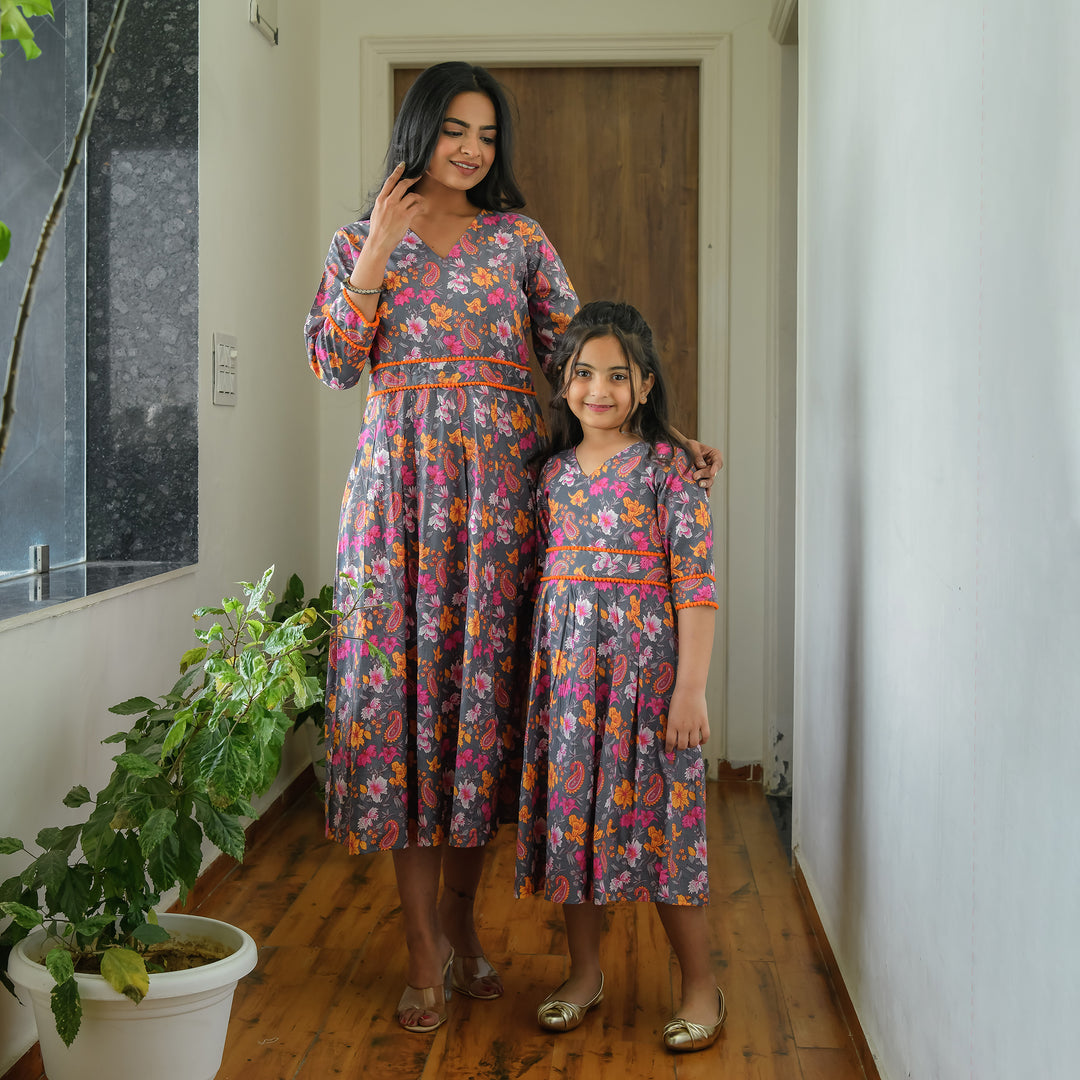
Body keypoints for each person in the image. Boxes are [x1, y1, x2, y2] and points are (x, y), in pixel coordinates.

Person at [305, 62, 720, 1035]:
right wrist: (375, 256)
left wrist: (671, 435)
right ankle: (421, 949)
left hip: (500, 513)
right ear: (419, 130)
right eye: (455, 129)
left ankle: (459, 919)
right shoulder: (360, 242)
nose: (472, 149)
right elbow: (332, 364)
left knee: (476, 725)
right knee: (409, 724)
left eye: (487, 135)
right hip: (399, 511)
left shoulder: (519, 241)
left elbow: (583, 358)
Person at [515, 300, 726, 1053]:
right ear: (564, 381)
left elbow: (696, 586)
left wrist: (690, 689)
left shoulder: (670, 471)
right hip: (570, 685)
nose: (597, 389)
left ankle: (701, 984)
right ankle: (584, 973)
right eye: (582, 373)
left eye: (617, 375)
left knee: (665, 833)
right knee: (573, 827)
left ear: (644, 384)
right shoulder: (551, 475)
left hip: (648, 684)